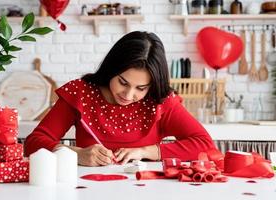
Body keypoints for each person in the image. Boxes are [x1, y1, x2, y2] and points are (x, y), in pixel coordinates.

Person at [24, 31, 215, 166]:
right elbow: (33, 143)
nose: (128, 95)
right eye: (123, 82)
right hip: (86, 189)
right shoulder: (80, 92)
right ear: (111, 70)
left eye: (141, 88)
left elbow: (205, 145)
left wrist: (145, 152)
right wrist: (77, 154)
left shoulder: (161, 101)